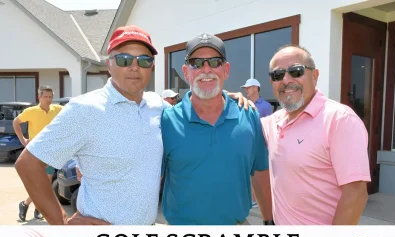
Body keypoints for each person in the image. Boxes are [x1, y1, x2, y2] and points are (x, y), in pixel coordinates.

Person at [14, 25, 252, 226]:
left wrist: (221, 97)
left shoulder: (157, 107)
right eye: (124, 59)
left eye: (144, 60)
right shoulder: (85, 109)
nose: (134, 67)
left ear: (152, 67)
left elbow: (194, 108)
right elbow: (28, 163)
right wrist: (62, 224)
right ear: (109, 64)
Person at [161, 33, 273, 225]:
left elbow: (260, 171)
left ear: (226, 70)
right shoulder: (167, 120)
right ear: (186, 72)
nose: (206, 69)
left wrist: (269, 221)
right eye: (196, 63)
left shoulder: (248, 115)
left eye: (215, 62)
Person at [261, 44, 370, 225]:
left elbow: (356, 193)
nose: (286, 80)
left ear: (315, 75)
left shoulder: (339, 119)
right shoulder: (273, 122)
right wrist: (226, 99)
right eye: (277, 75)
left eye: (296, 71)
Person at [13, 85, 63, 222]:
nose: (48, 100)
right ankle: (29, 206)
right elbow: (16, 122)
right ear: (39, 97)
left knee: (44, 184)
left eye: (50, 97)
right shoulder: (31, 111)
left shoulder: (58, 109)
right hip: (35, 152)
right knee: (42, 184)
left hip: (51, 152)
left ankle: (29, 206)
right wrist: (23, 140)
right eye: (45, 97)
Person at [241, 78, 273, 208]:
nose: (246, 90)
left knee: (258, 172)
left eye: (248, 87)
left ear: (255, 88)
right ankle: (252, 199)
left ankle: (256, 200)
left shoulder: (265, 106)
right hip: (247, 144)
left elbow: (268, 127)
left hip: (260, 146)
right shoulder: (244, 104)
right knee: (248, 172)